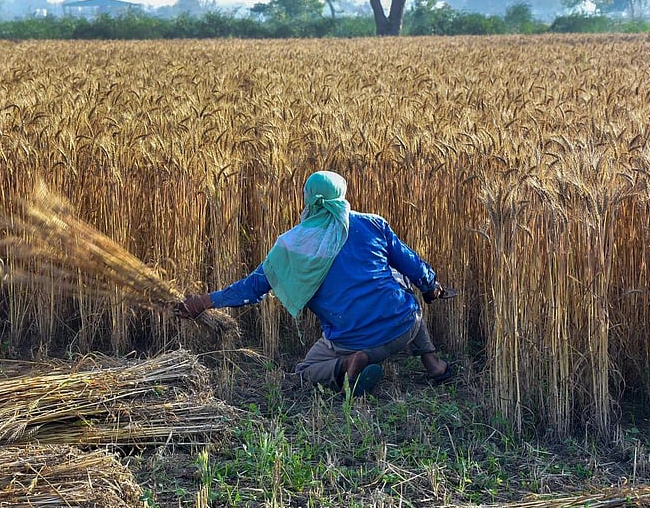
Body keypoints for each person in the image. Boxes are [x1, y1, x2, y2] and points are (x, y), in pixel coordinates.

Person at [175, 170, 453, 396]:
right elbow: (414, 266)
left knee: (306, 370)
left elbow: (252, 288)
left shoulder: (292, 245)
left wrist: (204, 302)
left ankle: (346, 365)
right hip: (402, 328)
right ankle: (434, 365)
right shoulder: (373, 224)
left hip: (350, 340)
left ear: (308, 199)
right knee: (404, 291)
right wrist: (432, 288)